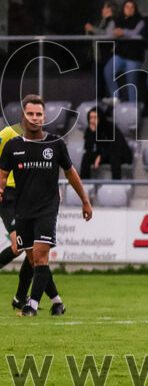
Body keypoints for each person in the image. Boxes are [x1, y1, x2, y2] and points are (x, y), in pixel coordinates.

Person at [0, 95, 92, 316]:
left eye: (38, 114)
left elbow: (71, 173)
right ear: (23, 117)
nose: (34, 118)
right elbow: (2, 175)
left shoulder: (56, 144)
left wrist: (85, 200)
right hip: (21, 209)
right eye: (30, 114)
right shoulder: (12, 145)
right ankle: (57, 302)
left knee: (40, 256)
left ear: (44, 117)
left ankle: (30, 305)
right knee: (31, 258)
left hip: (47, 208)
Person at [103, 0, 147, 104]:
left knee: (131, 82)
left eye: (132, 7)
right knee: (108, 71)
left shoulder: (140, 20)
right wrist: (115, 33)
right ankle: (115, 97)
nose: (129, 9)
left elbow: (136, 33)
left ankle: (133, 106)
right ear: (123, 9)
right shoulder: (118, 19)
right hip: (120, 54)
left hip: (134, 56)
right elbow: (108, 33)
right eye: (127, 7)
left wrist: (123, 32)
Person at [80, 108, 133, 180]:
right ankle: (83, 183)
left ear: (100, 117)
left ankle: (116, 183)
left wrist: (101, 156)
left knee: (113, 155)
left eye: (95, 118)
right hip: (104, 155)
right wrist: (92, 133)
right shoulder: (90, 129)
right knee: (86, 156)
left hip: (120, 154)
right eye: (90, 118)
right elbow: (87, 148)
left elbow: (115, 146)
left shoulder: (110, 127)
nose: (92, 120)